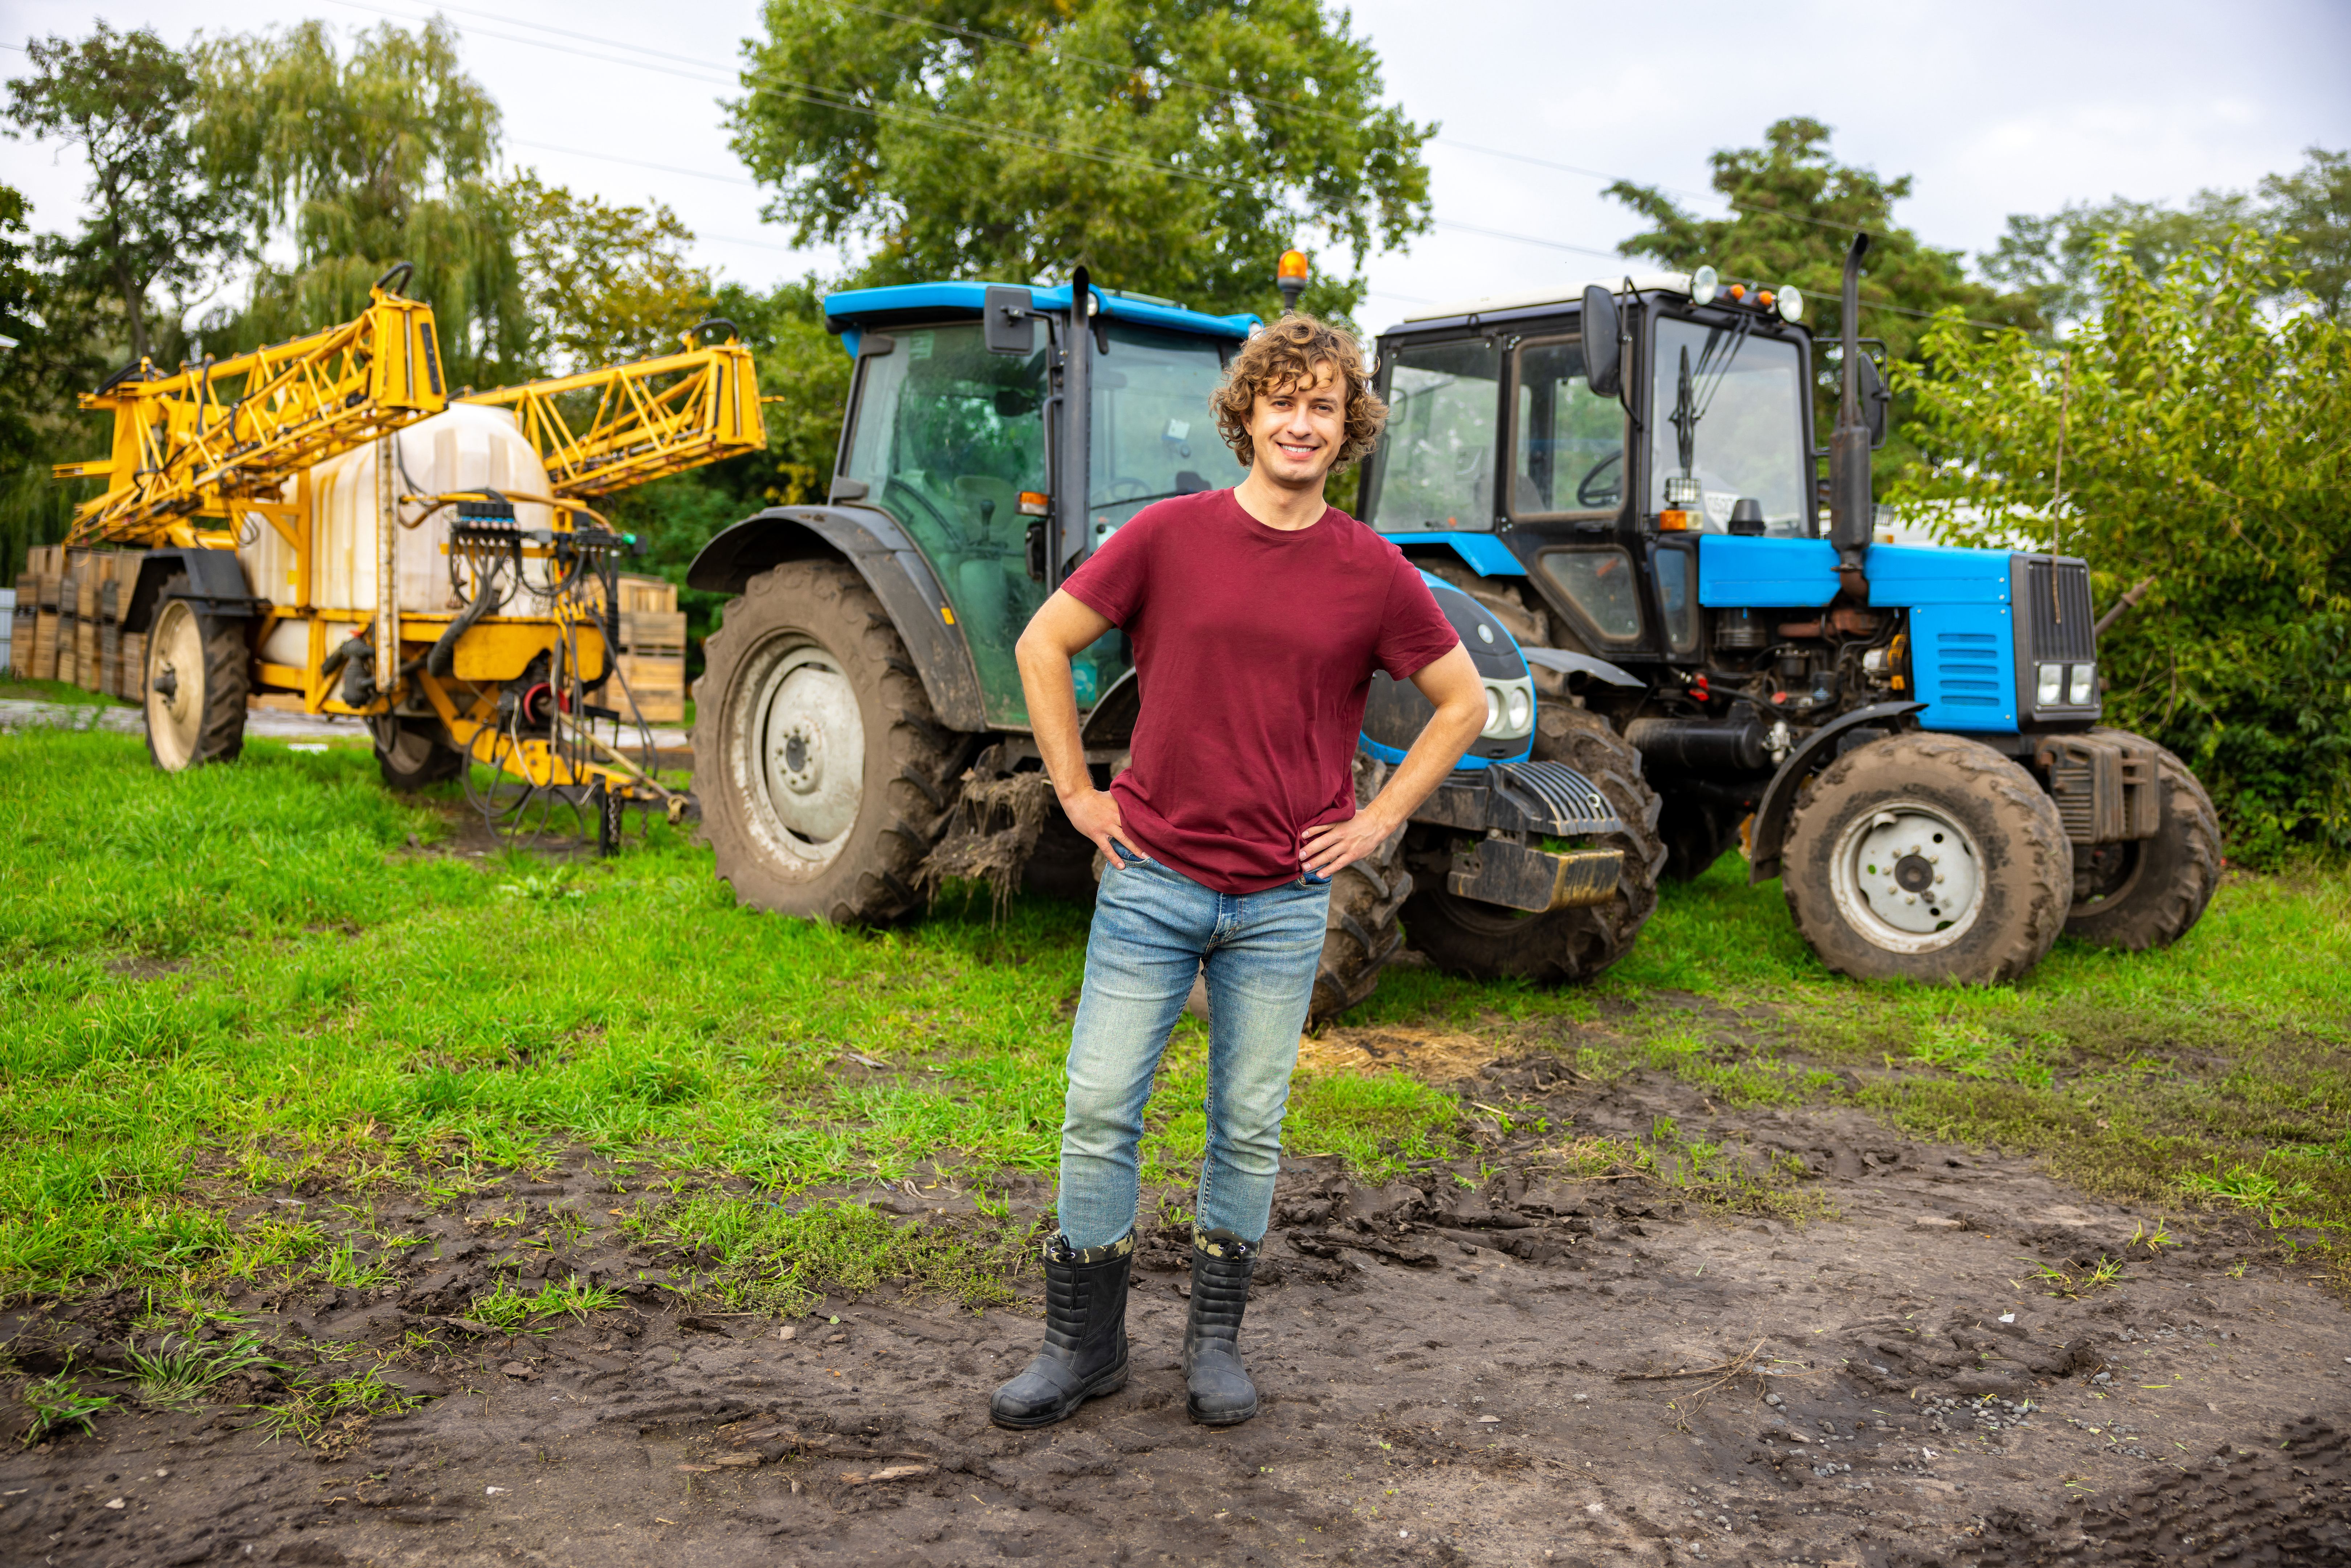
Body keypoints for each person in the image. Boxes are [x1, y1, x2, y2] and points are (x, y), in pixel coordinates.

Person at [989, 314, 1488, 1431]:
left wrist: (1380, 820)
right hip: (1153, 876)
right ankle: (1082, 1345)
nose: (1300, 422)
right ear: (1246, 415)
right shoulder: (1170, 536)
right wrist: (1077, 794)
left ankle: (1213, 1344)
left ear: (1347, 424)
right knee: (1101, 1107)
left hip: (1282, 898)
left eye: (1323, 404)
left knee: (1247, 1124)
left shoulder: (1372, 569)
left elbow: (1465, 704)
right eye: (1282, 400)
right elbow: (1042, 644)